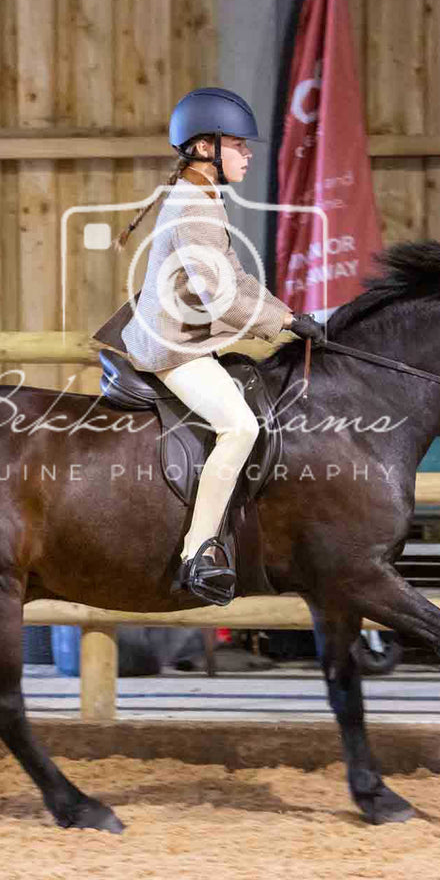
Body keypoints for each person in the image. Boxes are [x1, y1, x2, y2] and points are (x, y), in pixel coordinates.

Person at [103, 87, 325, 603]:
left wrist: (288, 315)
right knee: (239, 425)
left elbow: (237, 279)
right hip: (174, 349)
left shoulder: (202, 197)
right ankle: (199, 551)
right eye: (239, 145)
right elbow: (218, 294)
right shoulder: (195, 207)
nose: (248, 154)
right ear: (206, 148)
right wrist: (285, 321)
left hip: (186, 337)